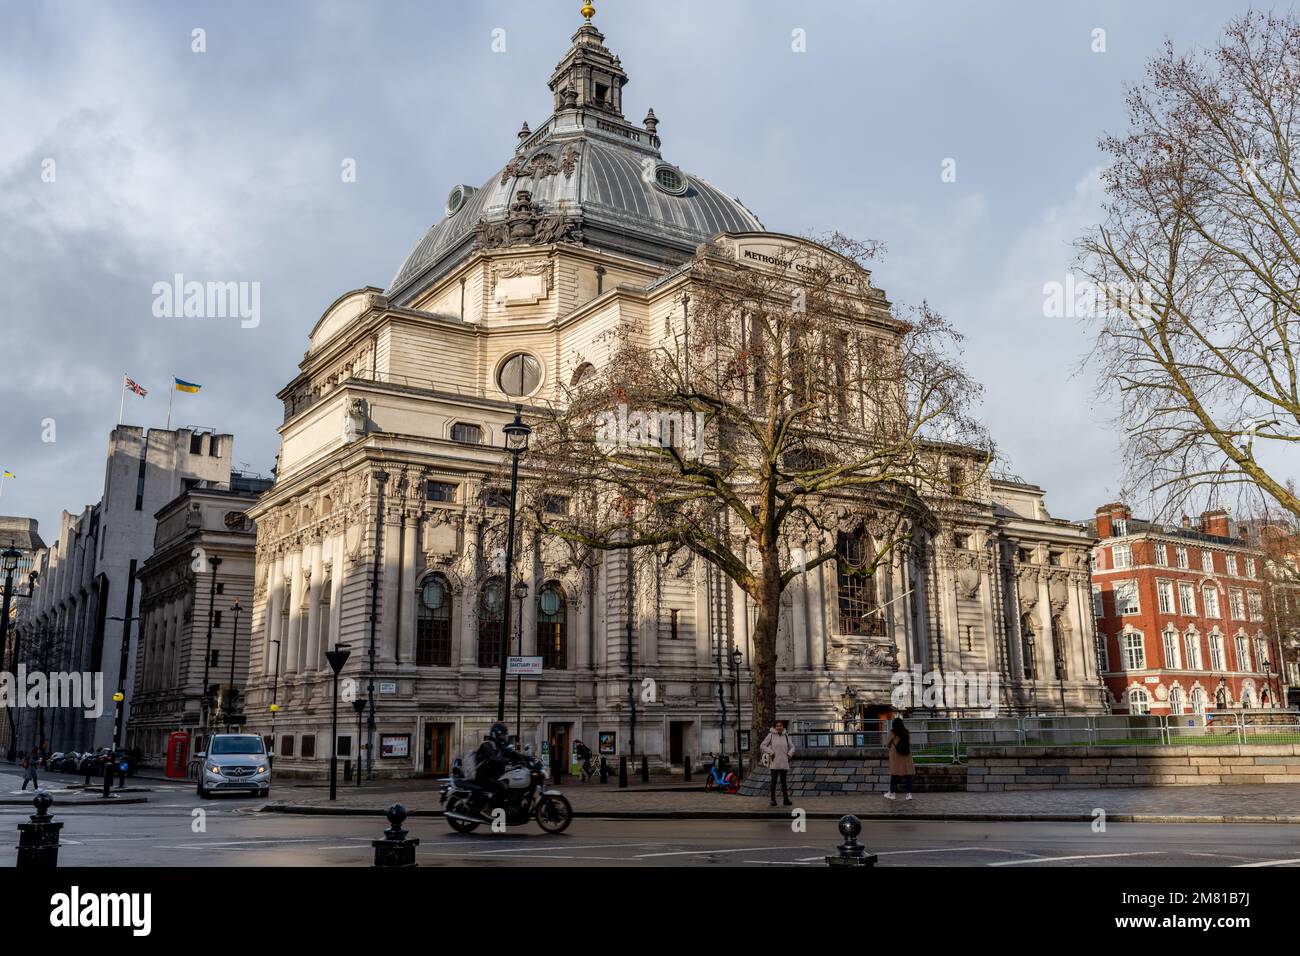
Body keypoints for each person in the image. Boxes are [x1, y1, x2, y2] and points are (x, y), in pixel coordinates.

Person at [470, 721, 526, 817]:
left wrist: (526, 758)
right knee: (501, 786)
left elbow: (512, 754)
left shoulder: (500, 746)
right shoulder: (487, 745)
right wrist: (508, 761)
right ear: (495, 734)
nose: (504, 737)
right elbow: (493, 758)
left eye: (505, 735)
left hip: (494, 775)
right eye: (502, 735)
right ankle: (495, 811)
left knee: (509, 783)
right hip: (484, 776)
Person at [760, 720, 796, 807]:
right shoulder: (771, 735)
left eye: (781, 726)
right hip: (774, 762)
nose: (779, 727)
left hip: (784, 762)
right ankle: (772, 800)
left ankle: (786, 799)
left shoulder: (786, 736)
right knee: (774, 782)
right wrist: (771, 752)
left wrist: (789, 754)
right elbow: (762, 745)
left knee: (784, 782)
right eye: (777, 726)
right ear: (775, 727)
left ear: (783, 727)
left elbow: (792, 747)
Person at [885, 717, 914, 800]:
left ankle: (892, 793)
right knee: (908, 775)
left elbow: (887, 743)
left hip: (896, 755)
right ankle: (909, 794)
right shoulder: (906, 732)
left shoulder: (892, 732)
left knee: (894, 774)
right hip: (906, 755)